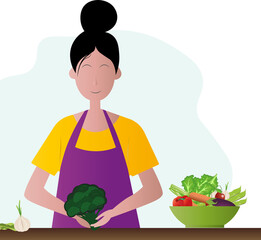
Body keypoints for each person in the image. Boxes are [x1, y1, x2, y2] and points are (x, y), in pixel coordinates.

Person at [24, 0, 162, 228]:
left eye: (104, 69)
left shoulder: (130, 130)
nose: (95, 80)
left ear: (117, 73)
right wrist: (70, 214)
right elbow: (33, 190)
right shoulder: (64, 128)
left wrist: (114, 213)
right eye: (86, 69)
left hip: (121, 228)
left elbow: (153, 189)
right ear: (73, 73)